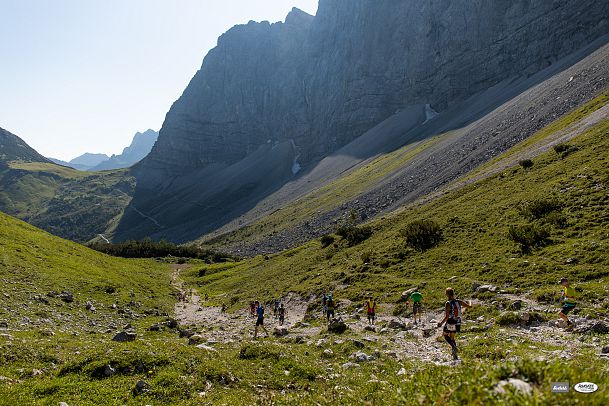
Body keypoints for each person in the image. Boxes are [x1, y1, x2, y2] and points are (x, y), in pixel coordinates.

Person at [437, 287, 471, 360]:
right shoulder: (459, 301)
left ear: (446, 294)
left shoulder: (448, 303)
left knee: (445, 335)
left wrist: (441, 323)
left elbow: (446, 316)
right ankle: (455, 355)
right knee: (452, 337)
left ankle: (454, 347)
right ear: (453, 293)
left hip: (451, 321)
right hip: (458, 321)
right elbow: (469, 306)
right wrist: (470, 301)